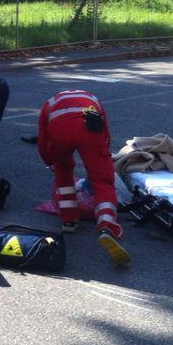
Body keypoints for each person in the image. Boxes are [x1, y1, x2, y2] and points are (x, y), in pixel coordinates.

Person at [37, 89, 131, 266]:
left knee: (63, 171)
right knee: (102, 180)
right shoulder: (93, 99)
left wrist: (50, 161)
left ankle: (69, 220)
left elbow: (42, 140)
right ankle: (107, 225)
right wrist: (102, 156)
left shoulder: (49, 103)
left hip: (59, 128)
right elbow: (105, 131)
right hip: (90, 125)